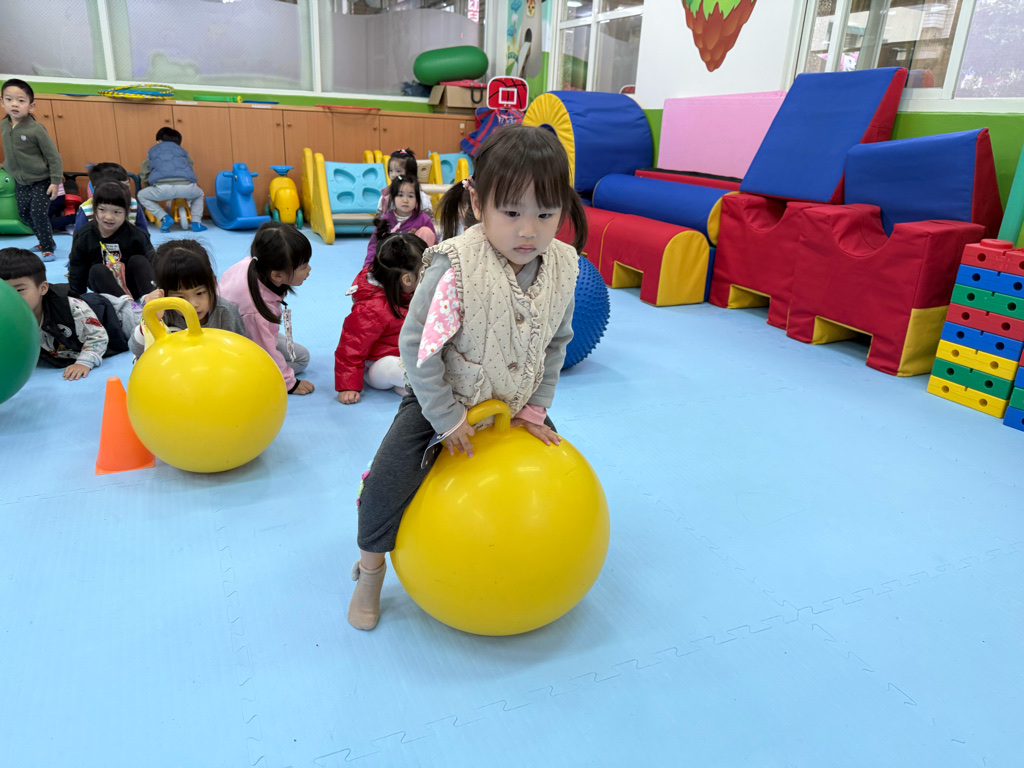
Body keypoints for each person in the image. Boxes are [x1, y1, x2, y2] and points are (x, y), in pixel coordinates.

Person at [347, 124, 588, 630]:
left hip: (515, 403)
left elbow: (557, 342)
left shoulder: (565, 266)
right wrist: (447, 418)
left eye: (545, 214)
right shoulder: (455, 267)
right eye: (512, 213)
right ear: (478, 203)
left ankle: (525, 568)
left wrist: (536, 406)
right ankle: (370, 571)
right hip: (441, 398)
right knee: (386, 486)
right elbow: (417, 348)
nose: (529, 231)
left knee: (546, 484)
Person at [0, 247, 143, 379]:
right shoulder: (7, 316)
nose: (11, 297)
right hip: (76, 339)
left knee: (146, 333)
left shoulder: (70, 308)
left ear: (42, 288)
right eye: (4, 291)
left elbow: (97, 336)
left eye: (19, 290)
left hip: (115, 315)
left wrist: (84, 362)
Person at [218, 221, 314, 395]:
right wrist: (290, 384)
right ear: (277, 275)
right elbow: (265, 350)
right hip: (233, 346)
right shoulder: (257, 311)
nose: (309, 269)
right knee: (301, 359)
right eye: (303, 266)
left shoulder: (252, 263)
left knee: (288, 349)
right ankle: (247, 377)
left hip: (239, 328)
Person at [335, 231, 425, 405]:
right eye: (425, 272)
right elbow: (351, 347)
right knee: (391, 366)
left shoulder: (409, 290)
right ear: (407, 279)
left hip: (408, 354)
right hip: (378, 366)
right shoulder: (371, 309)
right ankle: (417, 384)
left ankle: (409, 387)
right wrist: (347, 385)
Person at [128, 239, 247, 358]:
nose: (193, 304)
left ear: (213, 282)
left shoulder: (225, 312)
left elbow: (241, 350)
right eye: (180, 297)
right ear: (163, 293)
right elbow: (136, 350)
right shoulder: (162, 312)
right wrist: (151, 319)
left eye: (200, 293)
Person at [0, 79, 62, 261]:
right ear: (2, 102)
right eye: (9, 99)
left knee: (38, 213)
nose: (14, 104)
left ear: (31, 106)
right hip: (20, 181)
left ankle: (47, 248)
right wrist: (6, 165)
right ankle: (45, 240)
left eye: (21, 100)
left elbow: (54, 157)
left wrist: (55, 181)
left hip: (41, 180)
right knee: (24, 214)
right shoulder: (4, 125)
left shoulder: (36, 129)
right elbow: (12, 150)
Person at [68, 182, 157, 302]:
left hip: (134, 286)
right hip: (105, 288)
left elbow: (152, 262)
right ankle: (126, 303)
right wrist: (76, 299)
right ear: (95, 209)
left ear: (126, 212)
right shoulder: (85, 235)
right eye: (102, 210)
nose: (109, 217)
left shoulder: (137, 235)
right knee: (97, 269)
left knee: (140, 260)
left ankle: (150, 299)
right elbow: (77, 269)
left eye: (117, 212)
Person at [138, 127, 207, 233]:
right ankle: (196, 223)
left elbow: (144, 171)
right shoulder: (183, 151)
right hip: (185, 186)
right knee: (199, 194)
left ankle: (164, 217)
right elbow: (190, 165)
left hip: (162, 188)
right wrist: (194, 183)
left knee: (141, 195)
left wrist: (148, 184)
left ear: (158, 141)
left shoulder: (152, 152)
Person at [363, 175, 436, 269]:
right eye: (400, 195)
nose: (405, 200)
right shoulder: (386, 219)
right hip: (391, 266)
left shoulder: (423, 219)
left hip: (415, 265)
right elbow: (374, 245)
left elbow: (434, 245)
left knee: (426, 232)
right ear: (393, 197)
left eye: (410, 196)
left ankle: (424, 270)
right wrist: (368, 268)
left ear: (417, 199)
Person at [74, 163, 149, 234]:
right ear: (97, 189)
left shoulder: (133, 204)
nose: (123, 191)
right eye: (117, 187)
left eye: (127, 186)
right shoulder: (86, 209)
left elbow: (143, 232)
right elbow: (78, 236)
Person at [375, 148, 432, 216]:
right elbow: (380, 216)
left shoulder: (420, 196)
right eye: (391, 170)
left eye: (398, 171)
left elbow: (428, 219)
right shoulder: (386, 194)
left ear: (410, 173)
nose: (393, 175)